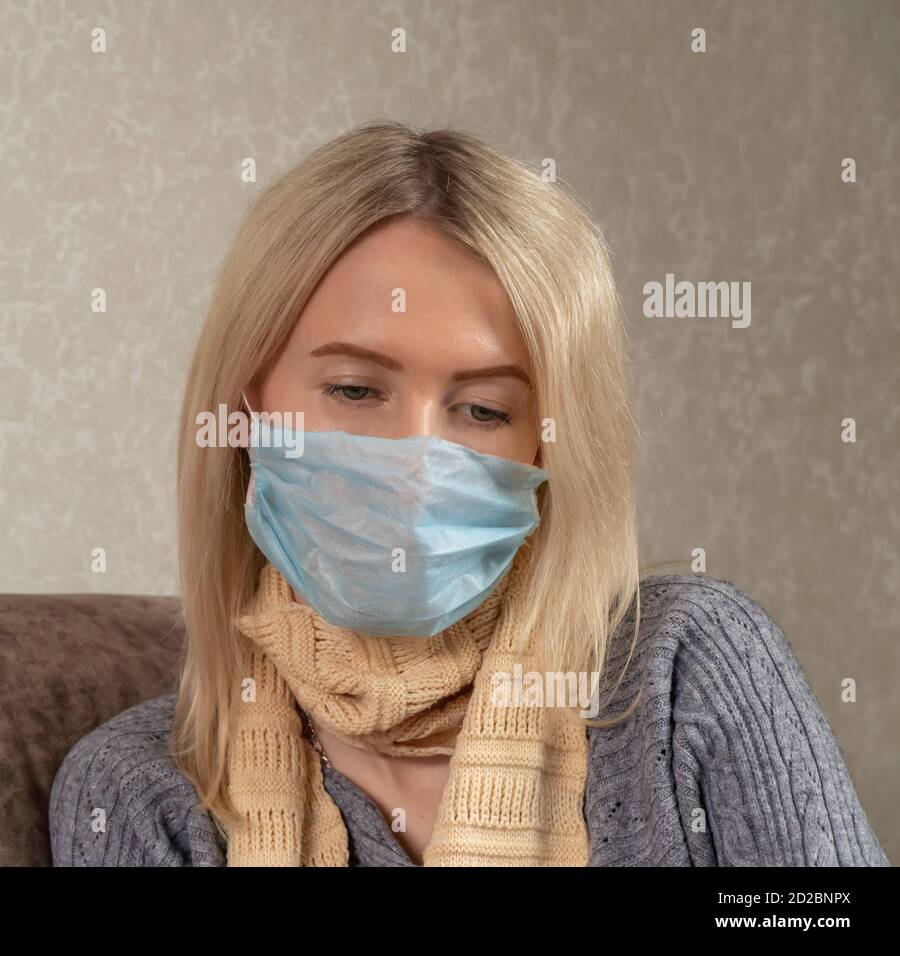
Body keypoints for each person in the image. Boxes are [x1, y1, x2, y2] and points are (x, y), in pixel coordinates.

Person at [49, 120, 889, 867]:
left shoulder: (683, 670)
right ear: (246, 408)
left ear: (549, 445)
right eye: (353, 390)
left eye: (484, 409)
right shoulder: (139, 793)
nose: (418, 457)